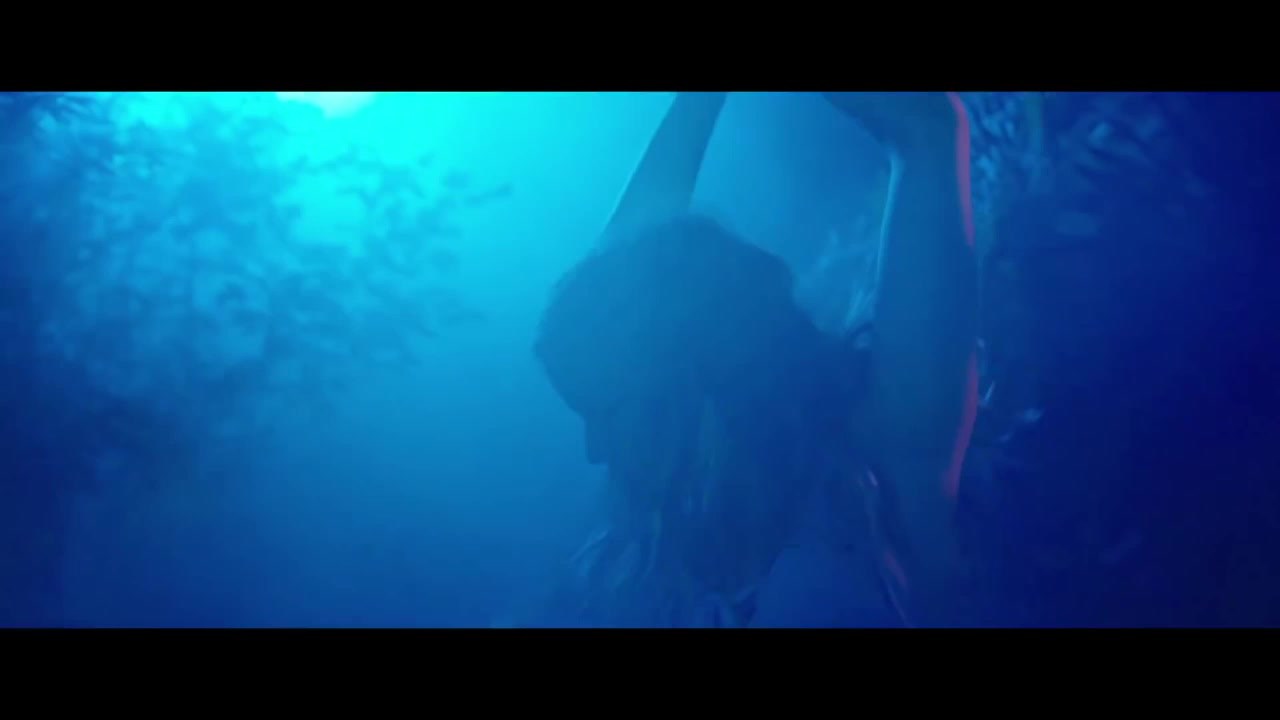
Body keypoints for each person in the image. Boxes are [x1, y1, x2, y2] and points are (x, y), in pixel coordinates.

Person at [530, 92, 980, 627]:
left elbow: (928, 132)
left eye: (605, 413)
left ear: (693, 378)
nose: (593, 451)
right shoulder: (679, 529)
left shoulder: (883, 469)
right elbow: (633, 284)